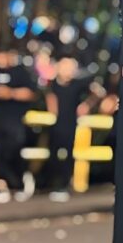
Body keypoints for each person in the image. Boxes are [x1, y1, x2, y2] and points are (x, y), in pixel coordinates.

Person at [0, 48, 38, 203]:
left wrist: (10, 93)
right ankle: (2, 186)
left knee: (14, 149)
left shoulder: (21, 72)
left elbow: (31, 93)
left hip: (15, 119)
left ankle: (20, 183)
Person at [43, 57, 96, 201]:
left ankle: (64, 185)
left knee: (68, 155)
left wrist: (86, 105)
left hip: (70, 123)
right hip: (55, 124)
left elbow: (96, 92)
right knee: (53, 153)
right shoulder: (52, 84)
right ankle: (50, 184)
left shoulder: (78, 84)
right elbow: (48, 95)